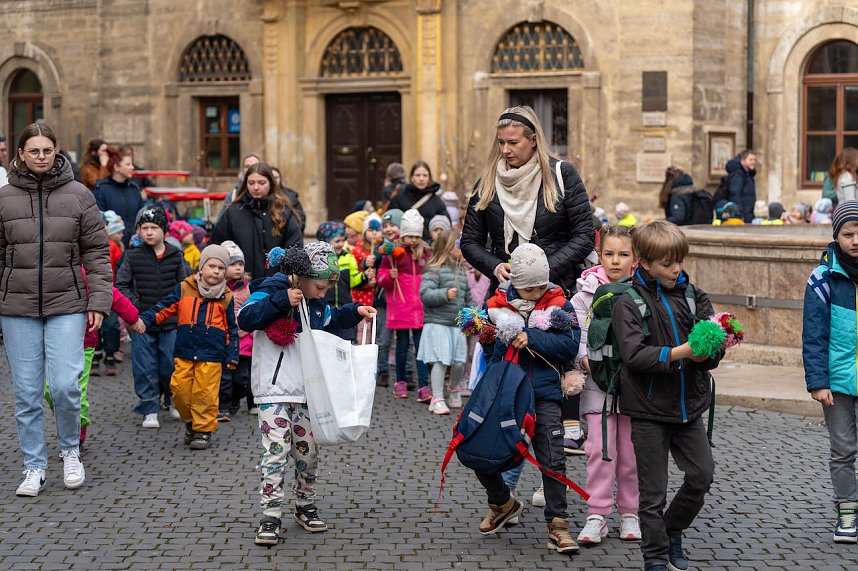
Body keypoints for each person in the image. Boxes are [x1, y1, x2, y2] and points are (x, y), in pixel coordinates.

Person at [237, 241, 376, 545]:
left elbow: (331, 320)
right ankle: (270, 515)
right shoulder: (271, 288)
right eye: (320, 287)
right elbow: (245, 317)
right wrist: (280, 301)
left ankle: (304, 505)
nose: (323, 293)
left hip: (308, 390)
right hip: (272, 390)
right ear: (300, 277)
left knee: (307, 452)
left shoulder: (316, 303)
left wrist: (354, 312)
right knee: (275, 451)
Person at [1, 122, 112, 497]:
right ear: (20, 154)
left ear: (56, 151)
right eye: (33, 150)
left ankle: (69, 450)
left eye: (47, 150)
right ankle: (34, 465)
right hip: (16, 307)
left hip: (68, 303)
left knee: (65, 386)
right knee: (27, 393)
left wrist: (99, 300)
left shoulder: (80, 195)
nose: (41, 157)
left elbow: (97, 253)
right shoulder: (4, 198)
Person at [612, 220, 721, 571]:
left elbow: (712, 345)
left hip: (689, 406)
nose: (676, 269)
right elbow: (633, 355)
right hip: (647, 408)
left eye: (679, 261)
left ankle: (671, 531)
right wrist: (680, 353)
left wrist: (710, 353)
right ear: (644, 263)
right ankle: (655, 557)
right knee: (653, 492)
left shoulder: (693, 296)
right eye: (667, 264)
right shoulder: (627, 301)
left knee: (702, 476)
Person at [474, 244, 580, 554]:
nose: (534, 292)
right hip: (506, 393)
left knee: (553, 459)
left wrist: (532, 337)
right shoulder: (495, 305)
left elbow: (570, 345)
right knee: (483, 452)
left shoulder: (560, 303)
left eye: (539, 285)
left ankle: (558, 525)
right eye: (527, 287)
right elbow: (491, 353)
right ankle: (502, 503)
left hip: (545, 393)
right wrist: (487, 340)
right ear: (515, 282)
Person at [460, 105, 595, 299]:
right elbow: (470, 242)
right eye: (501, 142)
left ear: (533, 141)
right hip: (504, 295)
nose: (505, 150)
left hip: (554, 292)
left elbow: (584, 235)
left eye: (513, 142)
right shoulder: (487, 182)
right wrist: (495, 267)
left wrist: (543, 271)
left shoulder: (562, 175)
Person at [571, 226, 641, 544]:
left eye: (623, 254)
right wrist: (588, 362)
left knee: (631, 452)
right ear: (599, 256)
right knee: (599, 450)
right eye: (609, 254)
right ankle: (597, 514)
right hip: (598, 387)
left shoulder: (642, 292)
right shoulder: (585, 293)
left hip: (634, 389)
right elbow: (577, 335)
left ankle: (631, 513)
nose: (615, 261)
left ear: (635, 259)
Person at [140, 245, 238, 450]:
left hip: (212, 354)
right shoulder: (184, 288)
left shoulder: (227, 297)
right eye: (212, 266)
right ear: (201, 267)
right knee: (180, 391)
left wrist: (232, 355)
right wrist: (145, 320)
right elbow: (164, 308)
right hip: (185, 350)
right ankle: (191, 422)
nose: (216, 271)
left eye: (221, 268)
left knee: (205, 394)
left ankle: (202, 430)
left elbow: (231, 329)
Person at [803, 201, 858, 544]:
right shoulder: (823, 278)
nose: (856, 240)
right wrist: (817, 382)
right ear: (836, 236)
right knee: (843, 450)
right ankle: (848, 512)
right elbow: (813, 334)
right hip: (836, 382)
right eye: (849, 234)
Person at [45, 279, 145, 448]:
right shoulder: (52, 271)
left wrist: (133, 318)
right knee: (50, 390)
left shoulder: (87, 273)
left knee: (77, 391)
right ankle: (67, 423)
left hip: (84, 344)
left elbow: (112, 294)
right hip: (54, 343)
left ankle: (77, 434)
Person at [116, 205, 189, 427]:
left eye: (154, 227)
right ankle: (149, 407)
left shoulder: (176, 255)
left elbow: (184, 287)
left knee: (171, 365)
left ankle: (173, 400)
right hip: (141, 323)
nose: (149, 232)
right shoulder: (132, 256)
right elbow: (121, 285)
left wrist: (177, 310)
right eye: (144, 227)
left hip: (171, 322)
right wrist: (136, 309)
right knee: (145, 366)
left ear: (165, 231)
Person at [211, 162, 303, 279]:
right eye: (251, 183)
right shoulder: (234, 212)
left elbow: (295, 248)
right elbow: (216, 246)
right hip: (241, 285)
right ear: (246, 184)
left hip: (277, 285)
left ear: (271, 184)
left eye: (261, 183)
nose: (255, 187)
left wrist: (285, 277)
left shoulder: (284, 211)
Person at [377, 209, 431, 400]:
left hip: (420, 309)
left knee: (421, 346)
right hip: (400, 307)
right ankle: (400, 381)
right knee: (401, 346)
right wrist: (389, 278)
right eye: (409, 236)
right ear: (403, 235)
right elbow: (380, 278)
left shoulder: (426, 253)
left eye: (416, 237)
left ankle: (424, 384)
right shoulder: (393, 253)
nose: (413, 241)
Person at [418, 230, 471, 414]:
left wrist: (474, 314)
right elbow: (425, 294)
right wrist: (444, 294)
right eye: (459, 246)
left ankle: (454, 388)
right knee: (440, 361)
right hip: (438, 323)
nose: (462, 250)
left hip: (456, 325)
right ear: (449, 248)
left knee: (458, 362)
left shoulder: (462, 271)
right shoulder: (434, 269)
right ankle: (437, 397)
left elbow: (468, 297)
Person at [218, 241, 254, 419]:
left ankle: (236, 397)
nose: (238, 268)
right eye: (233, 264)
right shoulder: (218, 288)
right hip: (225, 338)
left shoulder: (247, 288)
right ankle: (223, 404)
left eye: (240, 264)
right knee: (224, 376)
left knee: (241, 377)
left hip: (245, 339)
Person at [316, 221, 362, 341]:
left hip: (344, 307)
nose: (341, 244)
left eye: (343, 240)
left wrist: (365, 276)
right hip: (326, 308)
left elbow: (354, 280)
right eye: (337, 241)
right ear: (325, 242)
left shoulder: (348, 257)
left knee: (346, 342)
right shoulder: (319, 260)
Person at [93, 147, 144, 250]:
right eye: (128, 164)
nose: (132, 167)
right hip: (112, 248)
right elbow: (99, 219)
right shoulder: (101, 189)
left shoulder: (134, 189)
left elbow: (141, 215)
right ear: (116, 167)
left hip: (135, 246)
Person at [388, 161, 450, 240]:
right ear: (411, 178)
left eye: (425, 175)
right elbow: (391, 222)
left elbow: (446, 224)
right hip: (404, 246)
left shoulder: (436, 201)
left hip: (429, 247)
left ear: (429, 178)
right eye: (417, 175)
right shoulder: (399, 198)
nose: (421, 179)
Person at [725, 149, 757, 223]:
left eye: (754, 160)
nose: (753, 162)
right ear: (743, 161)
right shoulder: (738, 175)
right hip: (743, 213)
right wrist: (739, 213)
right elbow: (735, 194)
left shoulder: (747, 174)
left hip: (748, 211)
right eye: (750, 160)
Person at [271, 166, 306, 232]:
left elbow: (300, 216)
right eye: (272, 177)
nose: (274, 180)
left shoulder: (291, 195)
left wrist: (297, 232)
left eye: (276, 177)